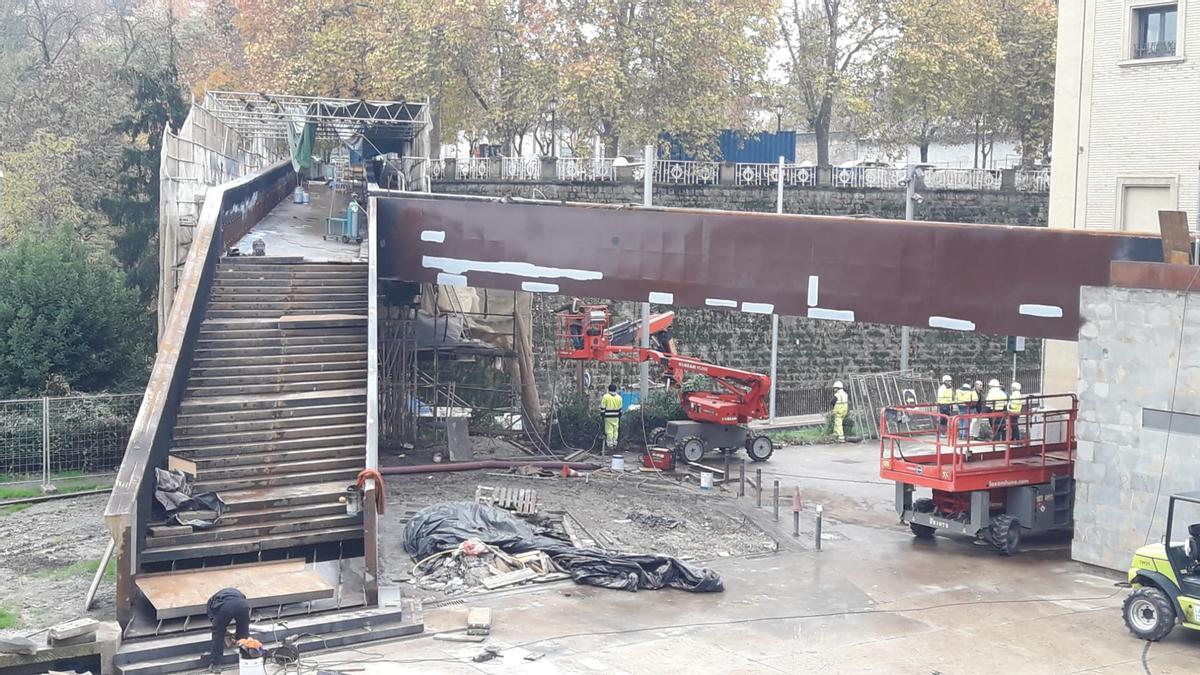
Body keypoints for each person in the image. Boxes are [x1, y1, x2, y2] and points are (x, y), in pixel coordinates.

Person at [206, 588, 251, 672]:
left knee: (218, 634)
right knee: (244, 632)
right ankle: (245, 657)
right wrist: (237, 636)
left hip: (226, 606)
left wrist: (222, 630)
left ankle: (216, 665)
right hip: (243, 605)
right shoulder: (237, 593)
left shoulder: (210, 603)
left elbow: (215, 623)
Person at [600, 384, 623, 451]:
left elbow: (603, 407)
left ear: (608, 389)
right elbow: (620, 409)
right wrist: (619, 415)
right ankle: (615, 444)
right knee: (615, 430)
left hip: (608, 416)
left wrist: (602, 414)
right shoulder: (619, 398)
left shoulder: (606, 397)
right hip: (616, 417)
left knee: (609, 431)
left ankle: (609, 445)